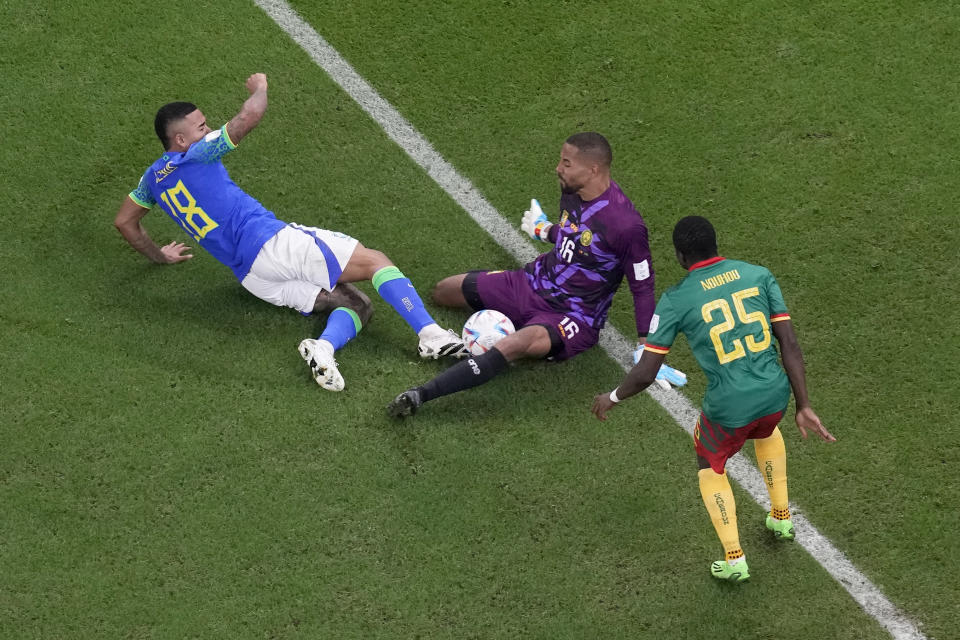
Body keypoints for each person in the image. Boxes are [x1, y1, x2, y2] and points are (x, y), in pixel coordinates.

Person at [113, 73, 466, 391]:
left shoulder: (151, 180)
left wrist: (160, 256)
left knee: (358, 304)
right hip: (273, 245)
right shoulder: (197, 154)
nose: (206, 131)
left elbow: (125, 222)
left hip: (253, 277)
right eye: (200, 126)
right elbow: (247, 118)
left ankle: (323, 349)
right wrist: (261, 87)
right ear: (180, 139)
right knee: (375, 262)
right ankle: (430, 334)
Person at [591, 215, 836, 583]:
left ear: (679, 255)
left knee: (710, 461)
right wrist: (803, 405)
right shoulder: (758, 274)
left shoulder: (677, 299)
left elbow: (645, 371)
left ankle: (734, 557)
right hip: (775, 394)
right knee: (765, 431)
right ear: (715, 244)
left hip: (729, 404)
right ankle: (781, 517)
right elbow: (790, 343)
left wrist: (612, 396)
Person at [388, 132, 675, 417]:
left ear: (593, 169)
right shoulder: (572, 191)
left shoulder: (626, 225)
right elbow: (579, 236)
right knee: (444, 291)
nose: (558, 168)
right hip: (532, 282)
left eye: (566, 163)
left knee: (514, 344)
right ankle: (514, 330)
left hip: (574, 314)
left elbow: (643, 285)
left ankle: (420, 395)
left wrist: (647, 346)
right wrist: (546, 230)